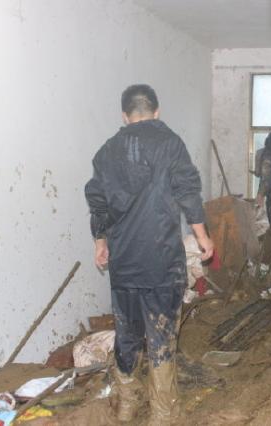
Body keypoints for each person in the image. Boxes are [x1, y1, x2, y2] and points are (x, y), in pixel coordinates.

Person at [84, 84, 214, 424]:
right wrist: (202, 237)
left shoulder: (107, 151)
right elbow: (187, 191)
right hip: (161, 262)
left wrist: (100, 242)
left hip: (124, 263)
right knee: (161, 335)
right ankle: (161, 413)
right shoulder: (170, 143)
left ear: (125, 115)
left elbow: (97, 201)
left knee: (127, 333)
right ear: (156, 111)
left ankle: (126, 405)